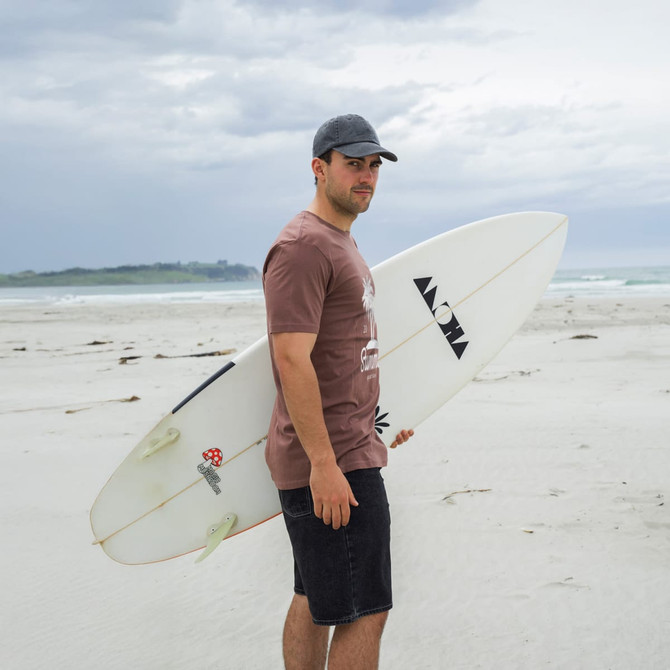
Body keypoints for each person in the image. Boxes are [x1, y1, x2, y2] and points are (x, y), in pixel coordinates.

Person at [263, 113, 413, 670]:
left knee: (317, 598)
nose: (367, 176)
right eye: (354, 165)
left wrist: (384, 420)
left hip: (348, 445)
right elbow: (290, 357)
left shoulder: (339, 242)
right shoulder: (305, 246)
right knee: (363, 610)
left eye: (374, 166)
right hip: (333, 462)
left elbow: (345, 353)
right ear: (319, 168)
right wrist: (324, 464)